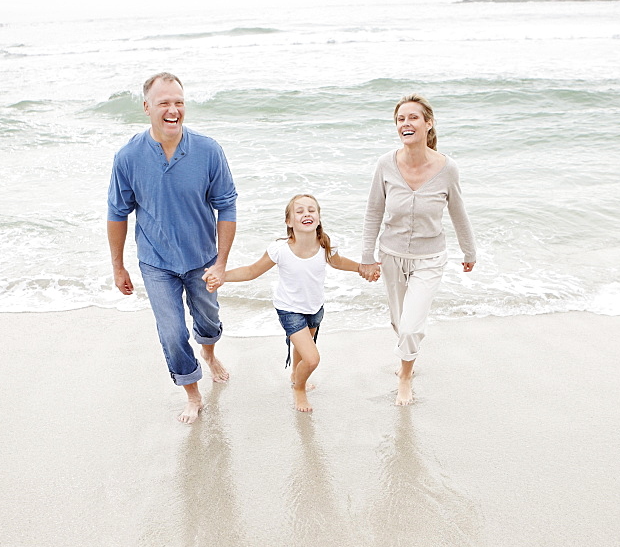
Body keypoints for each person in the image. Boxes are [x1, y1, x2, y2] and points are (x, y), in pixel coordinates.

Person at [107, 72, 237, 424]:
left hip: (202, 259)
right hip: (156, 262)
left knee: (208, 322)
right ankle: (192, 393)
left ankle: (209, 355)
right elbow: (117, 214)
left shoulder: (208, 151)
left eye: (178, 102)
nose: (173, 110)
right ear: (147, 107)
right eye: (164, 102)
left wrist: (221, 262)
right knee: (172, 333)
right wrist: (118, 266)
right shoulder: (128, 157)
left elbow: (227, 206)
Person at [360, 93, 476, 406]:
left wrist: (470, 251)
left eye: (413, 118)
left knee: (411, 327)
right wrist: (366, 257)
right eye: (401, 119)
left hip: (430, 258)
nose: (406, 123)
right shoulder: (385, 164)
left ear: (428, 124)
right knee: (400, 323)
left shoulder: (447, 168)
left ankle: (405, 377)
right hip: (392, 255)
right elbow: (374, 211)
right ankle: (407, 359)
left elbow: (458, 212)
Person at [204, 194, 364, 412]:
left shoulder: (326, 244)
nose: (306, 213)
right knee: (312, 359)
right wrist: (222, 276)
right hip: (289, 309)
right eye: (299, 211)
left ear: (318, 218)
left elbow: (339, 262)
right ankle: (299, 390)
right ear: (289, 222)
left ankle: (295, 376)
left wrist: (362, 268)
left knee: (301, 351)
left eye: (311, 210)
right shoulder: (280, 249)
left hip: (315, 308)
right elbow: (252, 271)